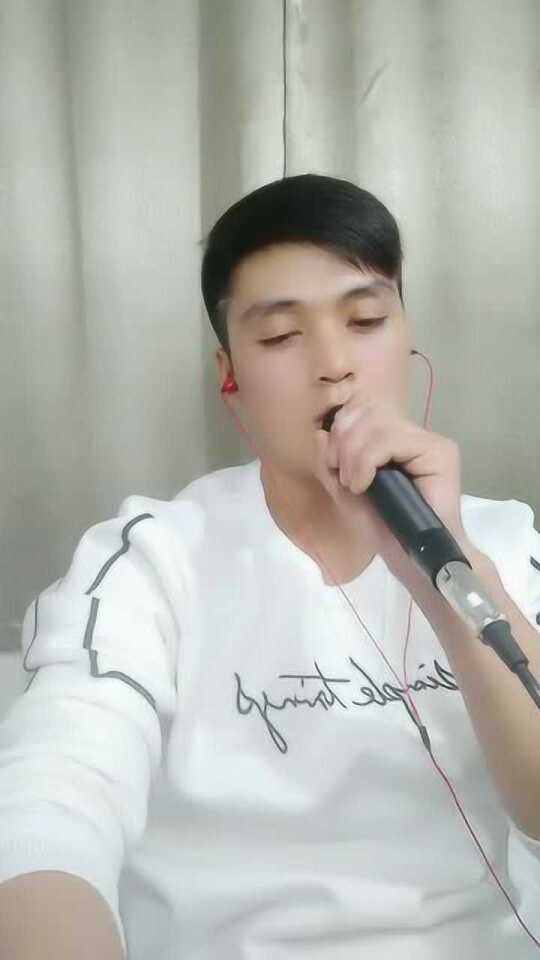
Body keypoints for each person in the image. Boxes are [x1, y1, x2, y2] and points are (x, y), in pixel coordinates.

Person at [1, 174, 539, 959]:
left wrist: (445, 561)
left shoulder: (503, 542)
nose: (335, 365)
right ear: (231, 379)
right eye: (282, 336)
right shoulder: (151, 560)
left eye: (366, 320)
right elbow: (48, 807)